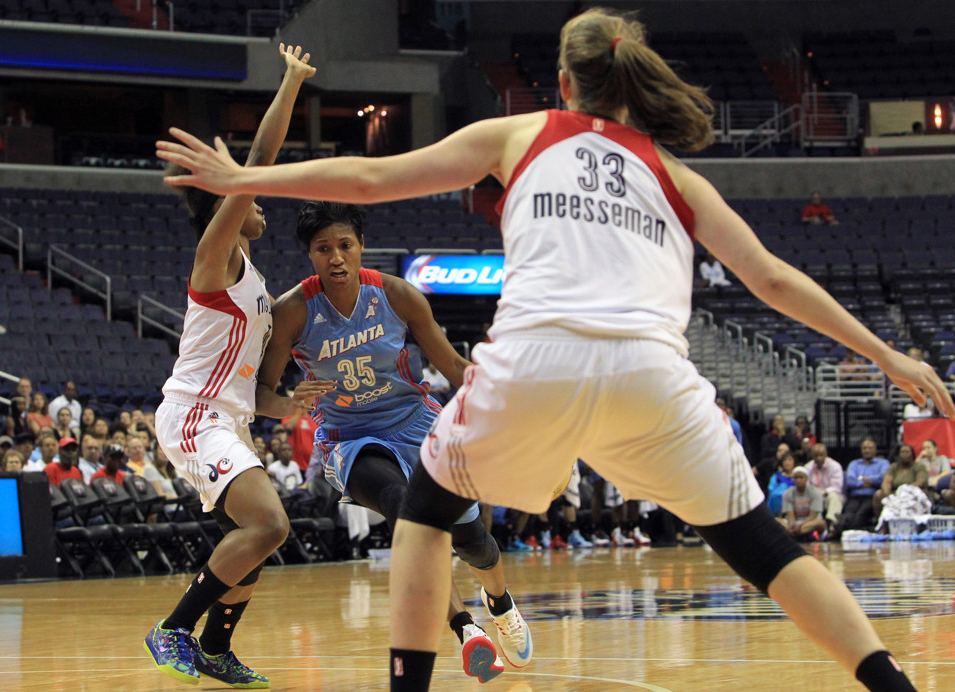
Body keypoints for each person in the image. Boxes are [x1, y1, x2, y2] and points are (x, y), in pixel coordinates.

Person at [155, 9, 952, 691]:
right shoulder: (675, 175)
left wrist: (239, 179)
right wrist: (889, 355)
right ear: (632, 86)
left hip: (537, 362)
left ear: (563, 85)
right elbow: (774, 281)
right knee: (768, 551)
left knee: (423, 518)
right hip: (656, 378)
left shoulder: (522, 131)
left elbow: (368, 178)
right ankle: (890, 683)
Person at [253, 201, 531, 682]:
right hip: (349, 436)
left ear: (360, 247)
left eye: (345, 245)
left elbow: (452, 368)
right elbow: (258, 393)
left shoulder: (399, 295)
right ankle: (467, 631)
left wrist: (511, 402)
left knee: (475, 545)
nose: (336, 257)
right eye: (324, 249)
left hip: (417, 424)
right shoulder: (293, 310)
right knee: (404, 509)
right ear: (310, 256)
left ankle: (500, 603)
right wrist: (287, 403)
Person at [143, 43, 317, 690]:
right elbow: (260, 165)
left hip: (230, 419)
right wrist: (292, 83)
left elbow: (259, 393)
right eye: (248, 201)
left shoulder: (257, 287)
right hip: (193, 417)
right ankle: (174, 628)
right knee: (271, 522)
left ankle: (216, 649)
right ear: (228, 210)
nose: (262, 204)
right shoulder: (217, 260)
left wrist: (301, 401)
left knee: (257, 538)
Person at [841, 438, 891, 532]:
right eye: (864, 448)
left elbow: (882, 479)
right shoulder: (854, 464)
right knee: (849, 513)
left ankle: (847, 530)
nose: (867, 450)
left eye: (870, 448)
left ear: (875, 450)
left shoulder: (883, 463)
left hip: (871, 496)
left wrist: (860, 479)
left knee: (860, 514)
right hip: (855, 496)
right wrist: (870, 482)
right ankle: (843, 528)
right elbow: (850, 481)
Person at [872, 444, 929, 519]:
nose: (905, 454)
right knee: (878, 494)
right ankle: (882, 525)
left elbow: (921, 482)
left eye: (907, 452)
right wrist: (888, 494)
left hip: (912, 494)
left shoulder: (919, 466)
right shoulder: (894, 467)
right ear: (899, 455)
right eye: (902, 452)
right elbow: (887, 482)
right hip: (895, 495)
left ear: (912, 454)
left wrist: (904, 491)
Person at [804, 443, 845, 534]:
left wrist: (823, 492)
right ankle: (809, 528)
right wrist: (815, 493)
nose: (818, 458)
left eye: (821, 455)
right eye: (816, 455)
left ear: (826, 454)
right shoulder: (807, 467)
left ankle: (832, 525)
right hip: (813, 497)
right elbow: (805, 486)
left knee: (834, 497)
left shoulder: (835, 466)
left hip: (827, 496)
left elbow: (837, 487)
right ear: (812, 456)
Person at [777, 467, 826, 541]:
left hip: (809, 522)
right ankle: (799, 533)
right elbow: (790, 516)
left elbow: (813, 516)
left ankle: (793, 534)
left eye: (801, 477)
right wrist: (792, 525)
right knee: (776, 520)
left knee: (821, 523)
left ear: (806, 479)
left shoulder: (816, 492)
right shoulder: (787, 493)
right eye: (796, 478)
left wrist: (800, 525)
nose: (798, 480)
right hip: (793, 523)